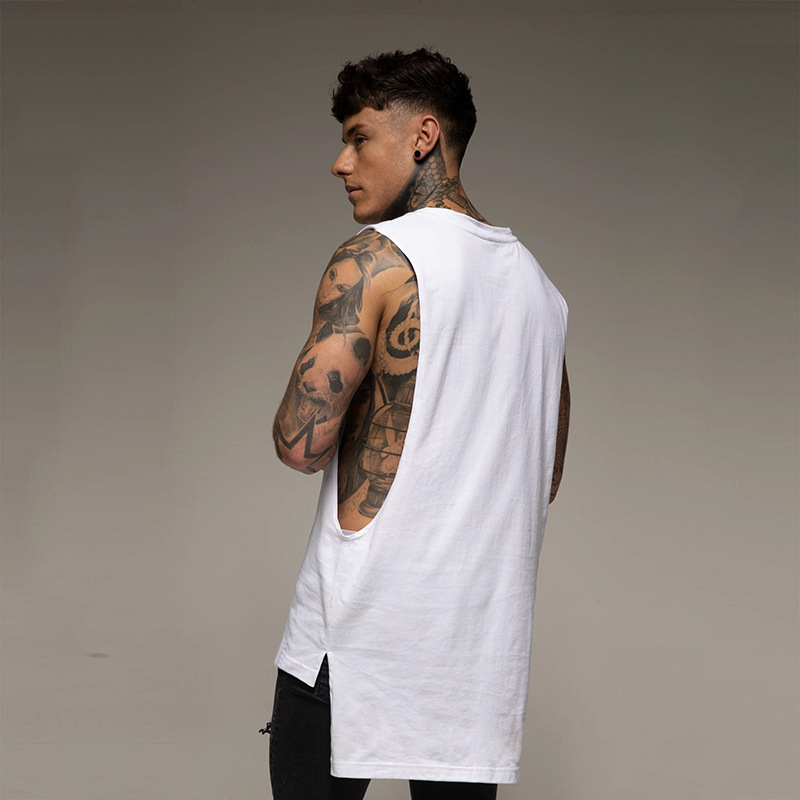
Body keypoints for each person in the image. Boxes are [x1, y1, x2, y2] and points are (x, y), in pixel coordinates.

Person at [266, 48, 570, 799]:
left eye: (359, 137)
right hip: (474, 649)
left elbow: (301, 443)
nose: (341, 162)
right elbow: (544, 474)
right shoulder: (541, 291)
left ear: (424, 136)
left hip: (355, 627)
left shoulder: (374, 260)